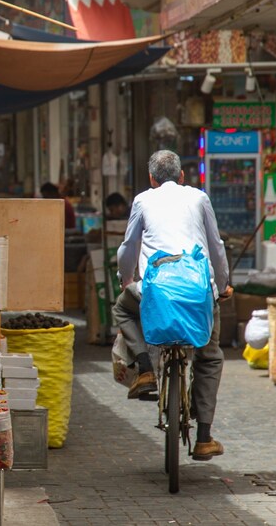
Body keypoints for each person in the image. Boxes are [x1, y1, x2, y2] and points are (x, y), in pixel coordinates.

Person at [112, 150, 232, 462]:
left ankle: (145, 369)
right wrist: (221, 286)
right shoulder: (199, 198)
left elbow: (128, 248)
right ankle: (203, 437)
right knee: (209, 356)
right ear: (182, 177)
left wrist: (127, 280)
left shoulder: (142, 200)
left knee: (123, 308)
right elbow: (216, 246)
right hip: (198, 292)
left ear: (152, 179)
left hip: (156, 290)